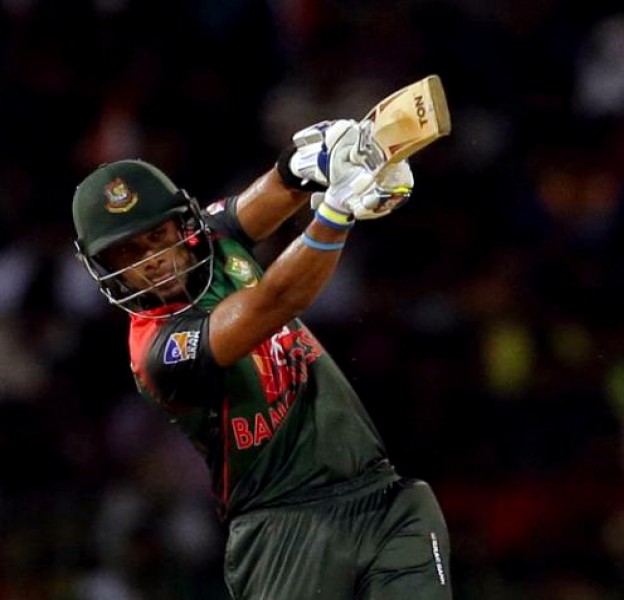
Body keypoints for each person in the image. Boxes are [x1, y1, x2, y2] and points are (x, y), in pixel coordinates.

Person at [71, 120, 452, 599]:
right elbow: (272, 303)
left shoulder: (208, 237)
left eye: (155, 236)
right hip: (283, 529)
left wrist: (319, 161)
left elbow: (272, 192)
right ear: (105, 270)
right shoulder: (158, 351)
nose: (150, 259)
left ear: (182, 225)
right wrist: (336, 210)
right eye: (125, 252)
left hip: (383, 497)